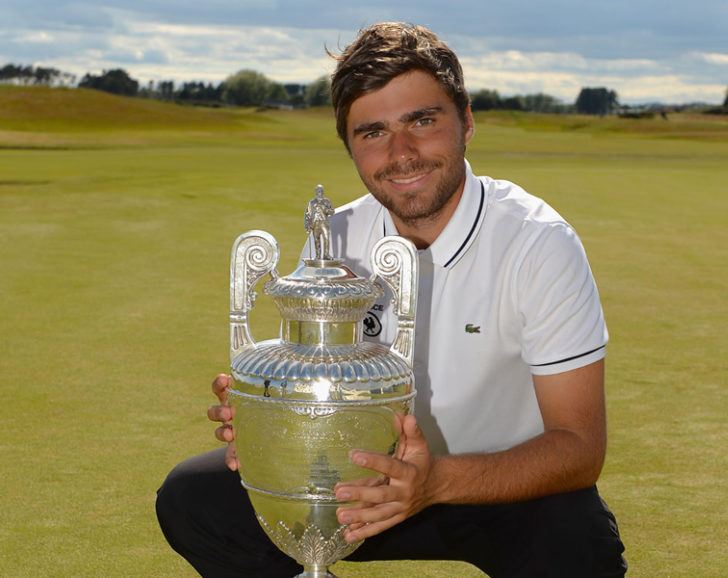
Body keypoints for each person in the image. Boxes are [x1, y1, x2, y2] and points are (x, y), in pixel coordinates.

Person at [156, 22, 627, 577]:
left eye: (422, 121)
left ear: (466, 121)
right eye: (372, 132)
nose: (401, 153)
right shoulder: (339, 237)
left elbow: (578, 445)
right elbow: (313, 389)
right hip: (360, 484)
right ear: (350, 146)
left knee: (580, 547)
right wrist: (269, 418)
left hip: (502, 488)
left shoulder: (538, 241)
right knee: (195, 499)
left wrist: (436, 483)